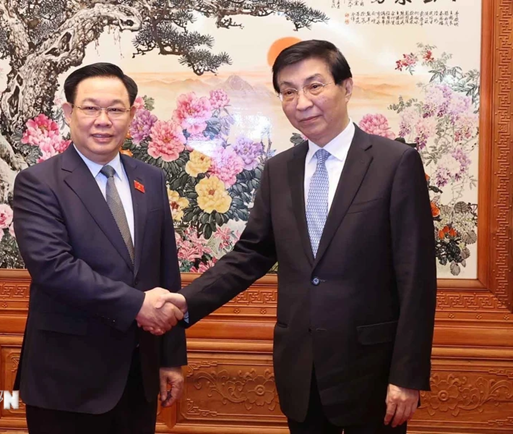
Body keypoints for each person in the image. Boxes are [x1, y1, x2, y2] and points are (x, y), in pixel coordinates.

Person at [156, 40, 437, 434]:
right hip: (301, 371)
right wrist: (185, 303)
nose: (301, 102)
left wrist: (407, 374)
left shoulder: (395, 163)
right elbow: (251, 254)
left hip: (373, 373)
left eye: (314, 86)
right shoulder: (279, 170)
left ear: (347, 86)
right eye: (288, 92)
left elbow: (416, 278)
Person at [12, 62, 186, 434]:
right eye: (90, 108)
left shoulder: (150, 179)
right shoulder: (38, 183)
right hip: (66, 379)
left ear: (132, 115)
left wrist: (170, 359)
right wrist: (137, 304)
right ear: (68, 113)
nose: (102, 120)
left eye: (115, 109)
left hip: (138, 376)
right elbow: (53, 268)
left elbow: (166, 271)